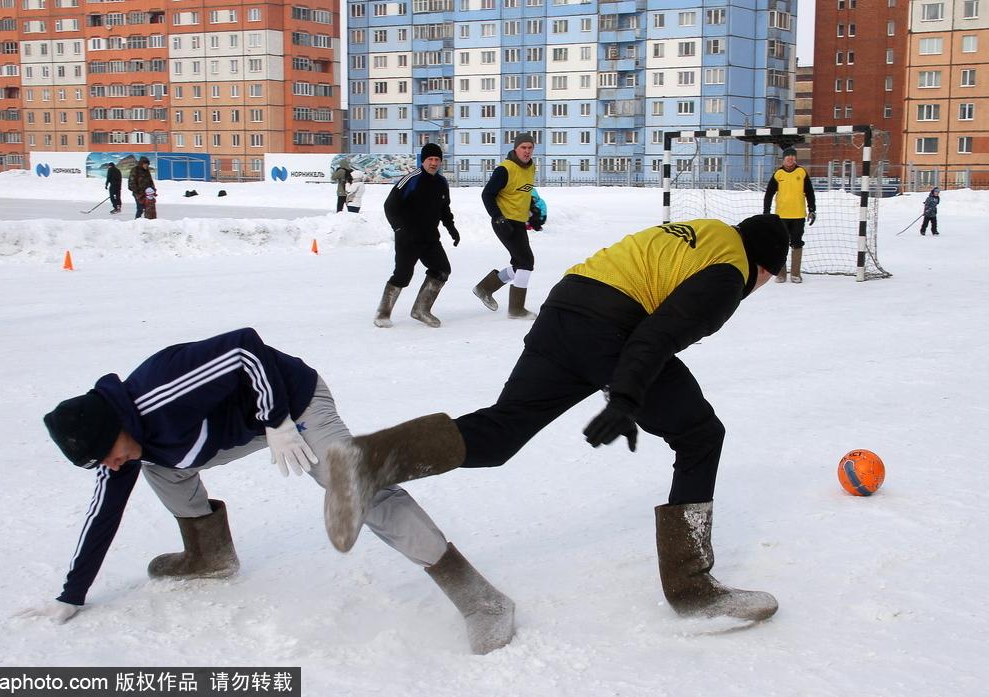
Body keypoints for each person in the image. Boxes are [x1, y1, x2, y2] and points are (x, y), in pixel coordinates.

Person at [324, 215, 791, 627]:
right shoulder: (729, 275)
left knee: (502, 430)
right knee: (701, 437)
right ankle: (692, 590)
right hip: (613, 327)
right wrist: (626, 397)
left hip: (566, 306)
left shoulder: (708, 234)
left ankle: (368, 459)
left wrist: (623, 386)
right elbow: (658, 334)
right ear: (765, 267)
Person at [21, 328, 514, 655]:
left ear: (114, 425)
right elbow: (103, 513)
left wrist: (277, 420)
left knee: (349, 482)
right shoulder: (125, 447)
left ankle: (481, 600)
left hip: (292, 403)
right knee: (161, 469)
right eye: (100, 464)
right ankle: (209, 558)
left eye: (107, 454)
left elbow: (244, 346)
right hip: (243, 429)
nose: (109, 465)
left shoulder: (158, 389)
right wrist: (72, 594)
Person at [373, 142, 460, 329]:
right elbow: (390, 205)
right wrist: (399, 228)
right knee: (403, 274)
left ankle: (421, 309)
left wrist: (452, 229)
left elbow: (444, 208)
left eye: (437, 159)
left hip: (429, 238)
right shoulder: (411, 179)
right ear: (423, 160)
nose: (434, 163)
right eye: (430, 159)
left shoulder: (442, 183)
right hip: (408, 236)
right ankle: (383, 312)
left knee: (442, 270)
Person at [472, 133, 538, 319]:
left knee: (521, 263)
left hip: (518, 221)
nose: (527, 151)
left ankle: (485, 288)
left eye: (530, 147)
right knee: (526, 262)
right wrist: (498, 217)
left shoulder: (531, 167)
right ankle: (516, 309)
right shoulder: (505, 169)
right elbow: (487, 194)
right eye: (523, 147)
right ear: (515, 149)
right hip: (504, 222)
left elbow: (523, 192)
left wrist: (532, 211)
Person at [762, 147, 816, 284]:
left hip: (798, 215)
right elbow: (769, 193)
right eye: (788, 157)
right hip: (781, 216)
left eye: (793, 156)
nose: (790, 159)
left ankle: (795, 274)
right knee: (781, 244)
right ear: (783, 159)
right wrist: (766, 212)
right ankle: (781, 274)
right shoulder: (778, 174)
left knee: (797, 242)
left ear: (795, 159)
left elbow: (809, 192)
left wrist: (812, 209)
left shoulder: (801, 172)